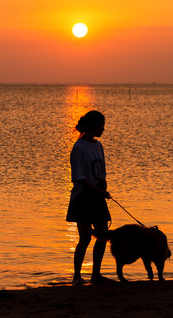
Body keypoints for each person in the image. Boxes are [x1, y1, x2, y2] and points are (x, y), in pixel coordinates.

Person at [66, 110, 112, 285]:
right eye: (101, 125)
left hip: (98, 197)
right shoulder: (79, 147)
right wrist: (98, 191)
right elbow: (80, 177)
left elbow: (101, 173)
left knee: (102, 235)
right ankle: (77, 276)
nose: (103, 129)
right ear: (92, 126)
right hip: (83, 198)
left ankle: (96, 275)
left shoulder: (98, 146)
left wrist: (103, 187)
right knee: (85, 238)